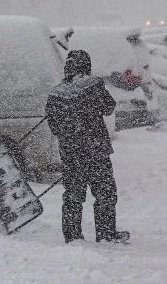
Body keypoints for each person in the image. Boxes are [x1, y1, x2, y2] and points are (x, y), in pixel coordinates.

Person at [45, 50, 130, 243]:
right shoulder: (93, 86)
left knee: (73, 195)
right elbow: (109, 107)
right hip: (95, 151)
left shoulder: (55, 94)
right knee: (105, 193)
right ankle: (106, 233)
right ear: (86, 67)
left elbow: (54, 126)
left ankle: (72, 235)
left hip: (70, 153)